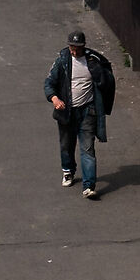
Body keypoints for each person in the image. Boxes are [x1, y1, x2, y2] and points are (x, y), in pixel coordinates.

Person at [46, 28, 116, 198]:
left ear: (83, 46)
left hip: (87, 112)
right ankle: (68, 170)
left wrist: (99, 74)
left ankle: (89, 186)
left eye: (77, 47)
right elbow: (49, 83)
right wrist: (55, 99)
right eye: (72, 47)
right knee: (67, 146)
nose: (74, 51)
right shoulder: (62, 61)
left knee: (88, 149)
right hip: (66, 113)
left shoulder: (93, 61)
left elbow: (107, 82)